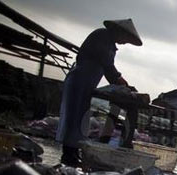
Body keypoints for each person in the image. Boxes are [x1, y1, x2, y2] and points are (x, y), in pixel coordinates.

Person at [56, 19, 143, 166]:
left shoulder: (109, 44)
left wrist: (123, 85)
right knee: (73, 117)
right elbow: (109, 67)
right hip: (79, 80)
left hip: (88, 84)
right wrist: (123, 83)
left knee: (81, 119)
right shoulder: (102, 36)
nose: (124, 42)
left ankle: (74, 152)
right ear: (119, 31)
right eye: (125, 39)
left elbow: (110, 73)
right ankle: (68, 155)